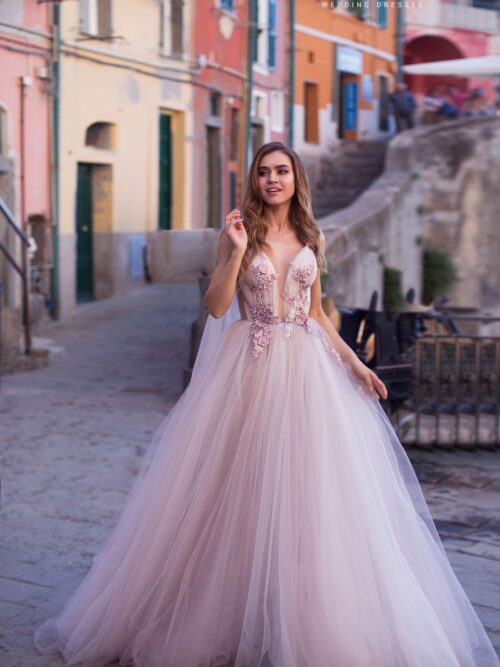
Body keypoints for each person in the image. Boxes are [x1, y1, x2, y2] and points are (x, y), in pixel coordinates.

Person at [34, 142, 500, 667]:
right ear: (254, 181)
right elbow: (214, 308)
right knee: (238, 485)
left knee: (311, 493)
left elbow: (320, 314)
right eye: (264, 172)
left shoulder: (311, 236)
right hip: (250, 369)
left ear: (296, 179)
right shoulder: (238, 233)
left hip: (308, 371)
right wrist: (234, 250)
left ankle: (300, 610)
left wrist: (355, 364)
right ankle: (229, 607)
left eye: (282, 171)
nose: (273, 180)